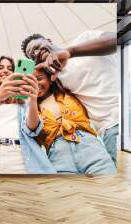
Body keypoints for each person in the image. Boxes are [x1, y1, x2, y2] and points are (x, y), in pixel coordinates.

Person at [21, 31, 119, 165]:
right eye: (32, 55)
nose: (36, 53)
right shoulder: (55, 79)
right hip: (107, 129)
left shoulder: (83, 39)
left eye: (37, 47)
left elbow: (115, 40)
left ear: (48, 40)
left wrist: (69, 52)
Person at [0, 56, 55, 174]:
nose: (5, 70)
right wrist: (0, 93)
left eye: (10, 68)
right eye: (0, 67)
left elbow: (32, 129)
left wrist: (33, 99)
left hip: (20, 156)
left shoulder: (23, 103)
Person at [33, 68, 116, 174]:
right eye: (31, 81)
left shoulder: (70, 92)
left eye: (39, 78)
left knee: (108, 182)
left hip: (88, 146)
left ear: (50, 79)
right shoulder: (28, 110)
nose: (36, 83)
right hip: (58, 155)